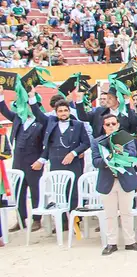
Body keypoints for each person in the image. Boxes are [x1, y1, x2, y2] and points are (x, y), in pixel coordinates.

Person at [91, 113, 137, 255]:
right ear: (104, 127)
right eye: (108, 125)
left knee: (127, 212)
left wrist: (121, 153)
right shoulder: (97, 142)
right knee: (110, 214)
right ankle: (111, 243)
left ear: (118, 125)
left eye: (113, 124)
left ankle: (130, 241)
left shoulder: (125, 139)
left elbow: (133, 155)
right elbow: (95, 161)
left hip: (125, 179)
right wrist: (108, 159)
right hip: (108, 181)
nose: (111, 127)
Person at [32, 99, 91, 219]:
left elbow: (86, 143)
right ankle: (62, 221)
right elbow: (38, 115)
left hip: (73, 162)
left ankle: (75, 221)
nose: (63, 113)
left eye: (65, 110)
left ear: (69, 111)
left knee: (73, 191)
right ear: (56, 112)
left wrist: (73, 153)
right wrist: (32, 98)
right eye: (60, 111)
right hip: (56, 162)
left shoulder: (78, 125)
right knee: (59, 192)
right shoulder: (51, 123)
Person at [0, 90, 45, 232]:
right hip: (18, 161)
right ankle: (21, 219)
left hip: (34, 161)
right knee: (19, 192)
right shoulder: (19, 118)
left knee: (35, 190)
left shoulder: (42, 121)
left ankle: (37, 219)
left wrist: (41, 160)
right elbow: (4, 110)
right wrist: (1, 95)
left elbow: (47, 143)